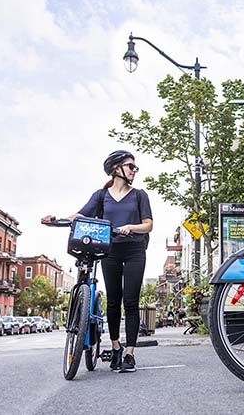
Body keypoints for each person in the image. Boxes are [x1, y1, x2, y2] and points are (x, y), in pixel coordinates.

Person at [42, 150, 153, 373]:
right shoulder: (101, 196)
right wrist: (57, 219)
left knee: (130, 302)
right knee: (113, 301)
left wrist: (131, 227)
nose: (134, 171)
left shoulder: (139, 195)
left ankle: (130, 354)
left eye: (134, 167)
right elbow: (80, 215)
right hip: (110, 250)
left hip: (134, 249)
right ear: (116, 169)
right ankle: (116, 348)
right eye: (131, 166)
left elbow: (148, 225)